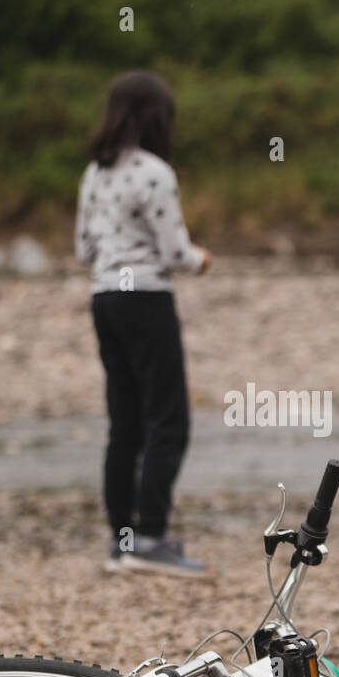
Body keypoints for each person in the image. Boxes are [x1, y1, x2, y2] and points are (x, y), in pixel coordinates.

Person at [75, 70, 212, 576]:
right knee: (168, 419)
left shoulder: (95, 172)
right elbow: (175, 251)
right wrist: (202, 260)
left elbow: (83, 248)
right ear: (158, 116)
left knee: (124, 423)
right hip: (146, 300)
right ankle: (152, 537)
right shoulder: (156, 171)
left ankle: (123, 540)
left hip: (105, 298)